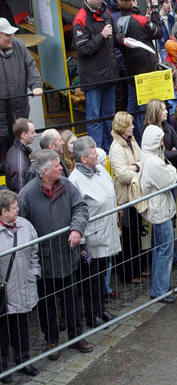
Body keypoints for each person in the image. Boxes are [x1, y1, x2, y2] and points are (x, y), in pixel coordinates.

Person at [18, 149, 93, 359]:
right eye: (57, 165)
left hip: (67, 256)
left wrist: (77, 228)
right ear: (44, 171)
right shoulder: (26, 195)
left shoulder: (66, 186)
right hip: (44, 260)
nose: (61, 168)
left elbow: (80, 207)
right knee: (47, 303)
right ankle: (52, 341)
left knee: (71, 298)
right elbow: (22, 227)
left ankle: (76, 336)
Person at [68, 137, 120, 328]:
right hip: (92, 237)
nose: (97, 154)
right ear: (83, 159)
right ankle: (93, 314)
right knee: (91, 279)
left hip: (107, 230)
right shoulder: (75, 181)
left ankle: (102, 309)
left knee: (102, 275)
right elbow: (75, 211)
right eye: (92, 153)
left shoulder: (99, 170)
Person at [0, 189, 40, 381]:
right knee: (3, 331)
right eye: (14, 208)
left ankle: (24, 360)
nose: (18, 210)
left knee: (22, 327)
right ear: (3, 212)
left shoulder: (25, 225)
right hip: (5, 293)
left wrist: (34, 272)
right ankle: (3, 367)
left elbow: (34, 251)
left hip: (24, 286)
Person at [73, 0, 118, 152]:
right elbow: (83, 49)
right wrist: (101, 36)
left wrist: (125, 41)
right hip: (92, 79)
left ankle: (110, 151)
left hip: (108, 75)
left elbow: (115, 36)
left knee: (108, 116)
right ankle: (96, 154)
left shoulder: (106, 13)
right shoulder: (80, 19)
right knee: (94, 118)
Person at [116, 0, 163, 140]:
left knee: (132, 108)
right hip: (146, 71)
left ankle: (131, 137)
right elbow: (157, 32)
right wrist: (155, 10)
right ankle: (147, 139)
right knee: (146, 110)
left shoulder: (119, 21)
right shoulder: (139, 20)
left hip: (131, 71)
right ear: (134, 1)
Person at [140, 124, 177, 304]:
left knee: (160, 249)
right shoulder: (154, 162)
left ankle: (159, 287)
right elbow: (169, 179)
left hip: (159, 208)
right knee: (165, 250)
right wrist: (171, 169)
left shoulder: (150, 157)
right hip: (160, 210)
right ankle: (160, 290)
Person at [0, 18, 42, 174]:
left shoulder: (19, 46)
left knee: (21, 147)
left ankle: (22, 177)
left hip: (20, 110)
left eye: (12, 34)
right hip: (1, 116)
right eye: (7, 35)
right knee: (3, 151)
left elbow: (30, 66)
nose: (11, 37)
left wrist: (36, 85)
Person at [109, 112, 144, 284]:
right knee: (128, 237)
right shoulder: (116, 147)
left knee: (136, 233)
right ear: (122, 126)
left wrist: (135, 166)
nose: (133, 126)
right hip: (125, 198)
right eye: (130, 124)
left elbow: (142, 160)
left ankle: (138, 268)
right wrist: (139, 170)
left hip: (135, 195)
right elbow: (122, 175)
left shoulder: (132, 141)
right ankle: (128, 273)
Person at [5, 118, 36, 193]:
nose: (35, 135)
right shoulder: (19, 162)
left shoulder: (15, 150)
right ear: (24, 135)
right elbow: (20, 192)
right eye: (32, 132)